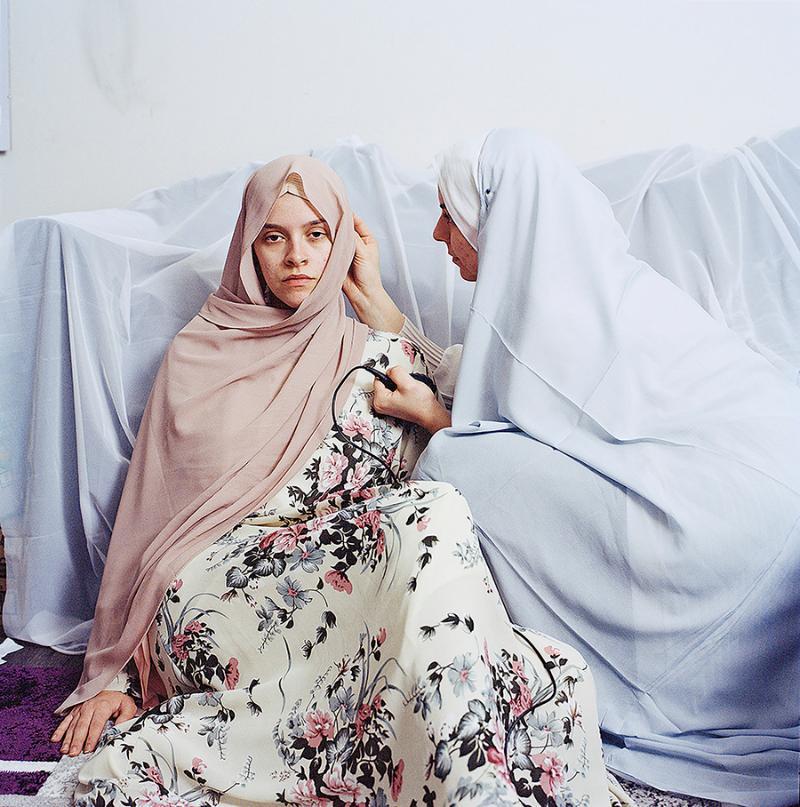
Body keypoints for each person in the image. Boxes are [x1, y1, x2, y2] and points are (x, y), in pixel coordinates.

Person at [50, 155, 631, 806]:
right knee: (433, 518)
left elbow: (462, 458)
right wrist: (116, 674)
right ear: (249, 247)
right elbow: (145, 526)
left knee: (549, 666)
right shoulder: (197, 356)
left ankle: (464, 778)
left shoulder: (378, 360)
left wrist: (379, 311)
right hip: (215, 599)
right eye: (274, 236)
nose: (297, 255)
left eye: (316, 234)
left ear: (342, 243)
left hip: (347, 598)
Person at [347, 128, 800, 807]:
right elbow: (503, 381)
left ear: (497, 217)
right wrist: (390, 317)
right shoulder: (590, 286)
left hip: (727, 526)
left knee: (451, 466)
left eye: (451, 213)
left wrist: (440, 423)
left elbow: (523, 426)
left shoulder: (568, 308)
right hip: (765, 501)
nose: (439, 233)